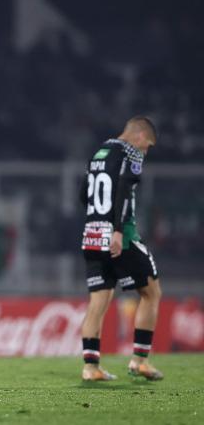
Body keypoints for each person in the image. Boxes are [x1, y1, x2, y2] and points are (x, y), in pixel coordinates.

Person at [79, 116, 163, 381]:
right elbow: (125, 190)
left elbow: (84, 194)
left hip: (91, 234)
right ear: (139, 137)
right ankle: (140, 360)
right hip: (120, 236)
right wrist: (116, 230)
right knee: (152, 292)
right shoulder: (132, 153)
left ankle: (90, 367)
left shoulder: (98, 153)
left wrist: (98, 221)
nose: (146, 151)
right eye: (147, 145)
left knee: (98, 301)